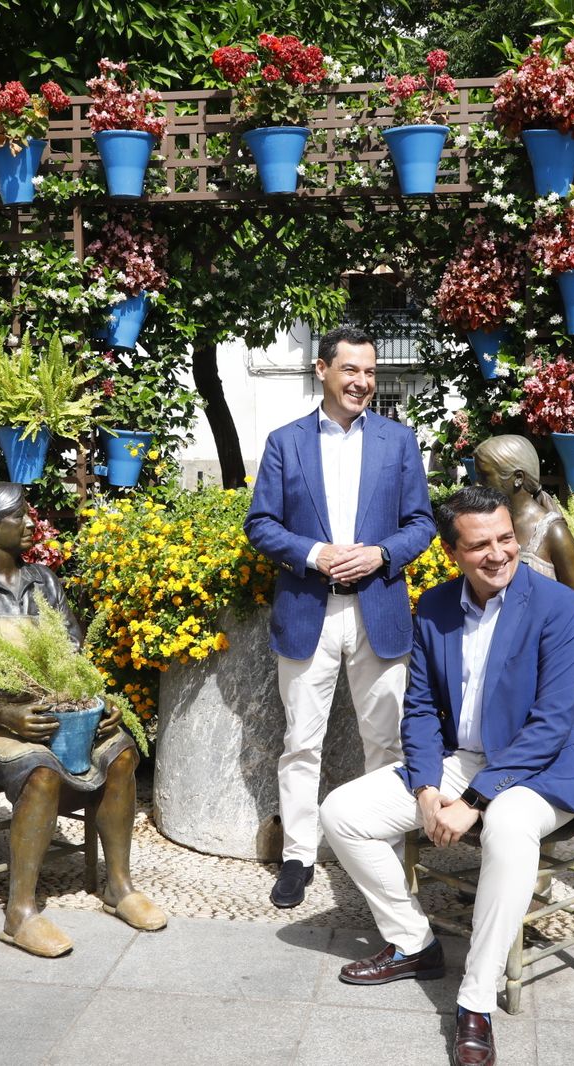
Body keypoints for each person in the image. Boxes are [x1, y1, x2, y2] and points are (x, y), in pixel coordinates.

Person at [319, 486, 574, 1066]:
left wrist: (473, 799)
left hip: (543, 769)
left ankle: (475, 1003)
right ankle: (413, 943)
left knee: (507, 827)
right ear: (453, 552)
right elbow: (419, 708)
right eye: (480, 546)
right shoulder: (438, 606)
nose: (498, 554)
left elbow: (551, 723)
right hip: (463, 760)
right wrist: (426, 789)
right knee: (341, 813)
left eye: (506, 539)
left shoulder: (556, 606)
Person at [0, 482, 165, 956]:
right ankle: (20, 913)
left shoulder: (44, 582)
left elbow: (73, 655)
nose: (31, 523)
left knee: (122, 754)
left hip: (54, 713)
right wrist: (5, 713)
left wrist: (98, 699)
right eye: (20, 516)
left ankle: (119, 886)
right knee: (39, 770)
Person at [244, 325, 437, 908]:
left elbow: (422, 524)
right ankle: (299, 856)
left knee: (386, 741)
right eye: (351, 370)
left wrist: (380, 553)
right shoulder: (285, 442)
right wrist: (314, 553)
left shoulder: (399, 442)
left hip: (378, 608)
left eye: (370, 372)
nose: (363, 382)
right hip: (309, 610)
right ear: (322, 371)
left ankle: (382, 850)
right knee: (301, 741)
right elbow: (261, 524)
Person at [473, 434, 574, 624]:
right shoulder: (490, 524)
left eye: (484, 476)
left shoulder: (552, 532)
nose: (477, 485)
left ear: (518, 478)